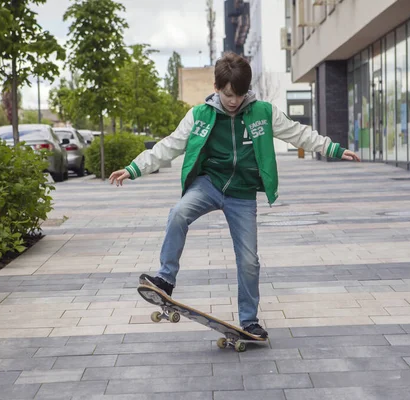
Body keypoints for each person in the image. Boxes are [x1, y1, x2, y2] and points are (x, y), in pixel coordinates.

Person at [109, 52, 360, 339]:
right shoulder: (200, 115)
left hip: (242, 193)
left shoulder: (262, 112)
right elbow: (169, 146)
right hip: (208, 184)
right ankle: (165, 279)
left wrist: (334, 149)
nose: (233, 101)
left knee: (249, 259)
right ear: (217, 88)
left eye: (239, 94)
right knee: (178, 213)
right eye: (228, 94)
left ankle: (249, 320)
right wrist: (134, 168)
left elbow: (297, 133)